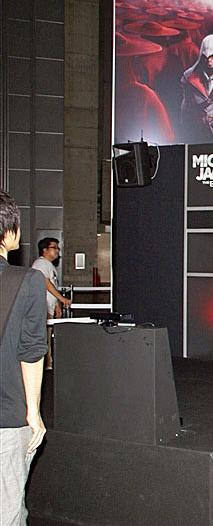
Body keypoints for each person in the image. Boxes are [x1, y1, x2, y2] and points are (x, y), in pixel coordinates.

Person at [0, 189, 48, 525]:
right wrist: (34, 412)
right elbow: (30, 352)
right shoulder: (26, 281)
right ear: (9, 232)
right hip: (6, 418)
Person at [31, 238, 71, 369]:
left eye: (58, 248)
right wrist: (62, 299)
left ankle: (48, 364)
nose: (57, 251)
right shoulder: (41, 263)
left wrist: (56, 306)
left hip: (48, 308)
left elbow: (52, 286)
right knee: (42, 339)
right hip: (41, 308)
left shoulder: (50, 266)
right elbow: (46, 283)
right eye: (54, 247)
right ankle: (44, 366)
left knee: (48, 338)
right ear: (45, 250)